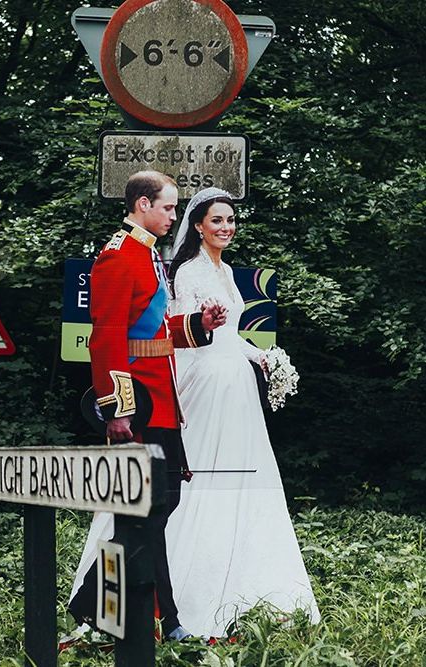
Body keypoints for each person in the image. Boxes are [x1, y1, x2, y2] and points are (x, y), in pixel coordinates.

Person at [67, 171, 227, 641]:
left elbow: (152, 334)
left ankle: (103, 608)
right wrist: (115, 409)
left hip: (160, 401)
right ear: (142, 204)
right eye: (169, 208)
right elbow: (109, 339)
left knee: (156, 505)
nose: (174, 216)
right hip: (138, 404)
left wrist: (198, 323)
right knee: (147, 507)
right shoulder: (118, 257)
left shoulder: (147, 253)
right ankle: (158, 619)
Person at [163, 187, 321, 637]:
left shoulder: (228, 271)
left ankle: (250, 571)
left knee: (246, 471)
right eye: (217, 221)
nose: (226, 228)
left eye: (231, 220)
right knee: (205, 468)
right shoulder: (189, 273)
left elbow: (231, 333)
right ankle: (190, 583)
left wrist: (264, 357)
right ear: (198, 226)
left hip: (235, 378)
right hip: (208, 379)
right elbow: (192, 333)